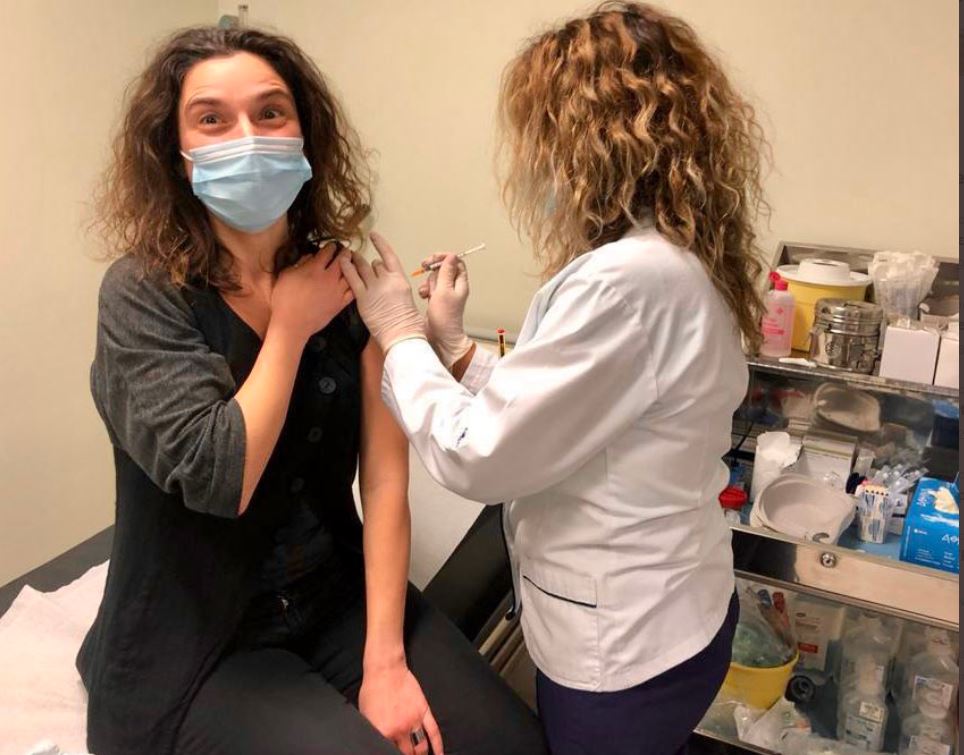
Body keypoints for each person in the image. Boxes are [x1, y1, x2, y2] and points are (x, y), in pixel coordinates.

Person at [78, 25, 546, 755]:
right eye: (212, 118)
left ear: (305, 134)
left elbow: (385, 483)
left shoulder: (341, 277)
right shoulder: (144, 294)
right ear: (175, 152)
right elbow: (220, 476)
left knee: (509, 743)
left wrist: (385, 662)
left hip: (332, 598)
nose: (247, 137)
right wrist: (290, 327)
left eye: (270, 112)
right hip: (200, 638)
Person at [340, 3, 770, 753]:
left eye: (541, 142)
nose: (536, 167)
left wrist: (401, 335)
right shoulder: (680, 259)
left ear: (588, 142)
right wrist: (457, 348)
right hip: (681, 613)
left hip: (623, 654)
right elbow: (587, 406)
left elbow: (480, 455)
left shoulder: (624, 282)